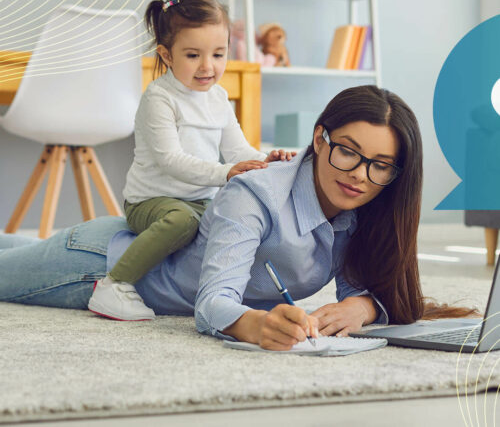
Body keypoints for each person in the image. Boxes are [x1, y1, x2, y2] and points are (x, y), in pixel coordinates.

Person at [0, 86, 476, 350]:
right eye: (347, 152)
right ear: (319, 138)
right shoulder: (253, 193)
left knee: (13, 244)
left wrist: (363, 307)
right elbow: (214, 301)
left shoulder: (361, 208)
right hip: (100, 264)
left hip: (114, 245)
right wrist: (253, 325)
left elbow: (362, 289)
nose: (359, 175)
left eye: (380, 165)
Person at [89, 0, 295, 322]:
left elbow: (238, 151)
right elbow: (171, 160)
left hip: (201, 200)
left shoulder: (218, 98)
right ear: (166, 55)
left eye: (218, 54)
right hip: (152, 200)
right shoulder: (159, 98)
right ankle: (113, 284)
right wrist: (226, 173)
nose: (207, 66)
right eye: (193, 55)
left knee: (240, 218)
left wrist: (267, 160)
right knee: (182, 221)